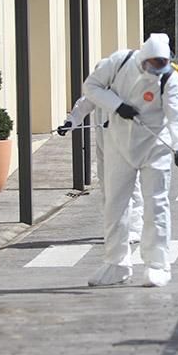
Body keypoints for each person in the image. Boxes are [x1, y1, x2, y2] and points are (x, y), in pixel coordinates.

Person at [82, 34, 178, 288]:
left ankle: (158, 264)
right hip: (119, 143)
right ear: (143, 58)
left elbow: (177, 114)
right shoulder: (119, 63)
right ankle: (116, 263)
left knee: (157, 203)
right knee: (115, 203)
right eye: (152, 62)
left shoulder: (168, 78)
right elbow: (91, 86)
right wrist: (117, 105)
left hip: (155, 145)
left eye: (161, 62)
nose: (156, 67)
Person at [58, 95, 144, 245]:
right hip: (104, 144)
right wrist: (70, 123)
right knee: (106, 186)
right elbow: (84, 104)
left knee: (127, 187)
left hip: (125, 145)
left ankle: (134, 228)